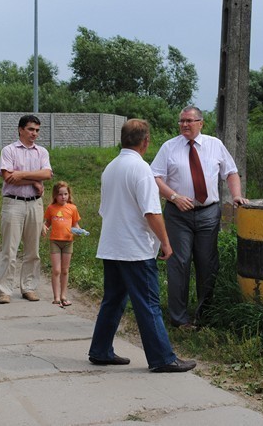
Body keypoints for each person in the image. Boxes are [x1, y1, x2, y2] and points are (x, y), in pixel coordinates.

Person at [88, 118, 196, 373]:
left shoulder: (111, 167)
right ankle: (162, 358)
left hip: (112, 245)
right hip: (135, 249)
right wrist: (166, 243)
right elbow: (151, 212)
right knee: (148, 302)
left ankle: (100, 350)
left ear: (122, 139)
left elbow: (105, 210)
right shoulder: (141, 169)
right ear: (146, 141)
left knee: (113, 300)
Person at [150, 106, 249, 329]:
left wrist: (236, 196)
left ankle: (205, 314)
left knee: (207, 263)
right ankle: (179, 318)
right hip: (178, 214)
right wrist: (174, 197)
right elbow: (154, 176)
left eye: (189, 121)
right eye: (181, 121)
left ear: (201, 123)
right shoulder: (169, 147)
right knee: (179, 262)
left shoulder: (215, 145)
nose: (184, 125)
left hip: (208, 213)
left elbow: (231, 172)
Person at [0, 114, 53, 304]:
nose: (34, 133)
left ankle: (29, 287)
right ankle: (5, 290)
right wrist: (35, 180)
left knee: (33, 250)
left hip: (35, 203)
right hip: (14, 203)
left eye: (37, 130)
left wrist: (23, 175)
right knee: (9, 250)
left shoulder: (41, 152)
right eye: (30, 129)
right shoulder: (9, 150)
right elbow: (8, 176)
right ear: (21, 129)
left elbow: (47, 174)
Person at [41, 181, 83, 307]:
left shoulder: (72, 208)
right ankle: (56, 297)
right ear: (55, 195)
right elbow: (47, 222)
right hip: (55, 241)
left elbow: (75, 224)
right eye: (60, 194)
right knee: (56, 270)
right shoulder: (51, 208)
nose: (63, 197)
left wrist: (79, 231)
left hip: (68, 242)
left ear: (69, 195)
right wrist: (44, 227)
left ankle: (64, 295)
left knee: (65, 270)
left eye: (65, 194)